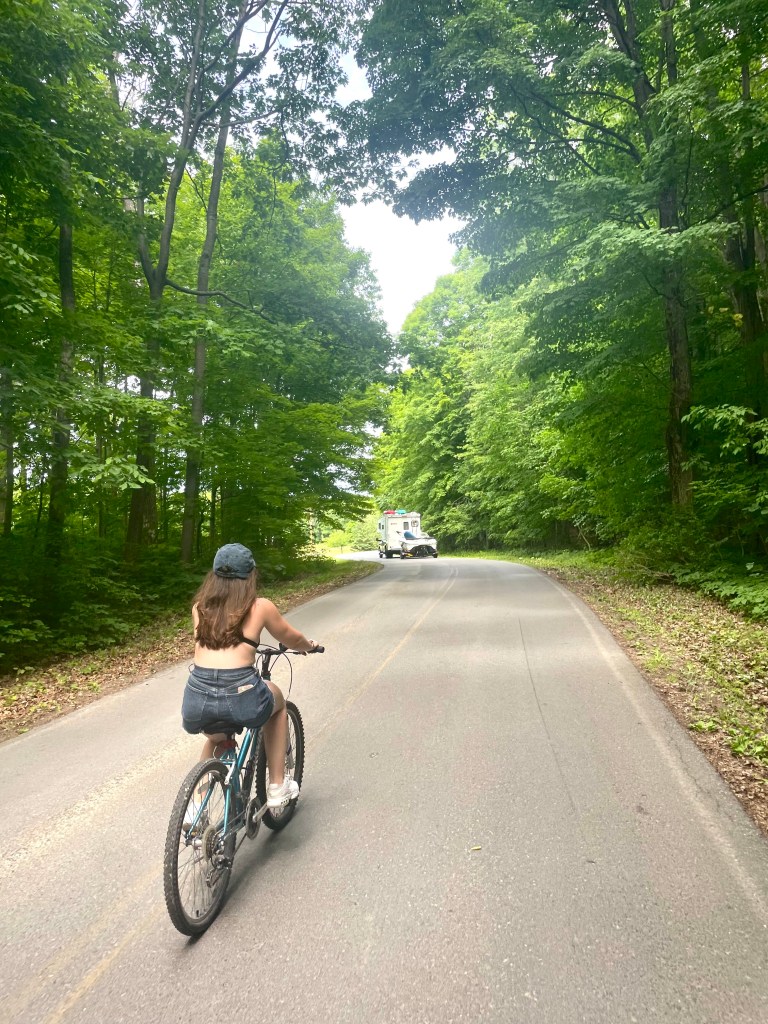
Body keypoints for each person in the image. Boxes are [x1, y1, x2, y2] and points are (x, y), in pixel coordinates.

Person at [182, 542, 321, 808]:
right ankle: (277, 786)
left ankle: (192, 810)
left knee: (216, 738)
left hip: (197, 696)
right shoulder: (260, 607)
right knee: (277, 702)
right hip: (239, 694)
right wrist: (310, 646)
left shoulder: (199, 607)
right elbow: (291, 638)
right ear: (250, 575)